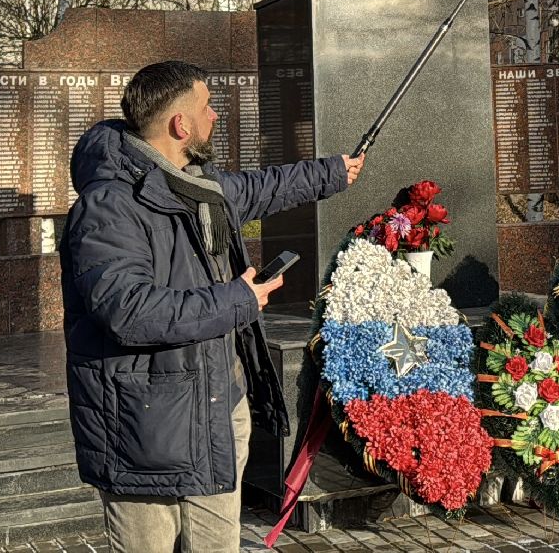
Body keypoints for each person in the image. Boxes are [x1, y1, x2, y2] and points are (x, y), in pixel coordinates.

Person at [60, 60, 365, 553]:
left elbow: (263, 188)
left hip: (215, 405)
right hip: (142, 425)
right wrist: (237, 299)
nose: (216, 115)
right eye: (206, 106)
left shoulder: (198, 187)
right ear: (181, 125)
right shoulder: (109, 207)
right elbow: (128, 311)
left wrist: (331, 172)